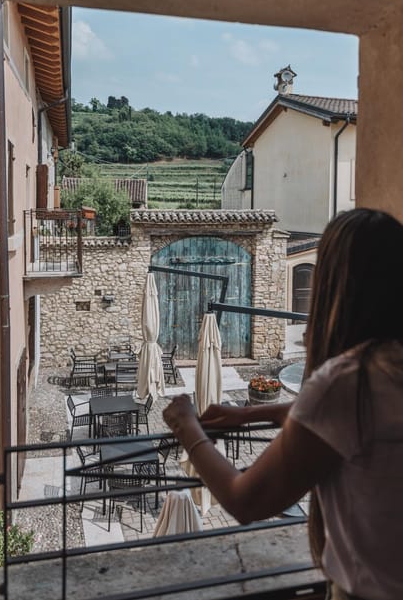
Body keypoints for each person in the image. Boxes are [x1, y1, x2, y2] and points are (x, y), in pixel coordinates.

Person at [163, 208, 403, 600]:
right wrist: (252, 413)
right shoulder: (385, 372)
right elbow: (364, 422)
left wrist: (186, 425)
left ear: (336, 284)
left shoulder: (349, 382)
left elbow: (247, 500)